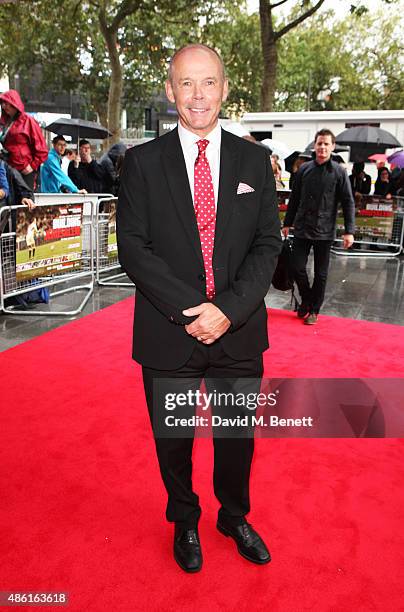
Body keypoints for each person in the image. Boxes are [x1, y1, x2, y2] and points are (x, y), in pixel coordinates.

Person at [117, 44, 281, 573]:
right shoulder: (141, 163)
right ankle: (184, 518)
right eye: (186, 84)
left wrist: (227, 312)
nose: (198, 95)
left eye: (208, 82)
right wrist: (196, 311)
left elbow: (267, 244)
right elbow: (133, 249)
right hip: (171, 333)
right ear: (170, 91)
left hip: (238, 332)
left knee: (237, 438)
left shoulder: (254, 160)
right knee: (174, 440)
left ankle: (233, 516)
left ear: (225, 88)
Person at [283, 129, 355, 325]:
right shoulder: (304, 170)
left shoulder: (339, 172)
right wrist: (287, 223)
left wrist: (349, 231)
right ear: (314, 146)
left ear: (332, 147)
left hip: (325, 230)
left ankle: (314, 310)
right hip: (302, 228)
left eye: (326, 144)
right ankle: (306, 299)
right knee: (296, 267)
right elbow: (294, 199)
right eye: (319, 143)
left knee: (321, 274)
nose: (322, 147)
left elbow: (348, 202)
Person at [0, 89, 48, 190]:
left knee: (24, 202)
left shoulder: (28, 120)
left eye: (6, 103)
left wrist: (31, 166)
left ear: (14, 103)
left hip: (24, 171)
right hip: (7, 169)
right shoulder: (5, 122)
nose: (4, 106)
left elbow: (42, 150)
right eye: (2, 103)